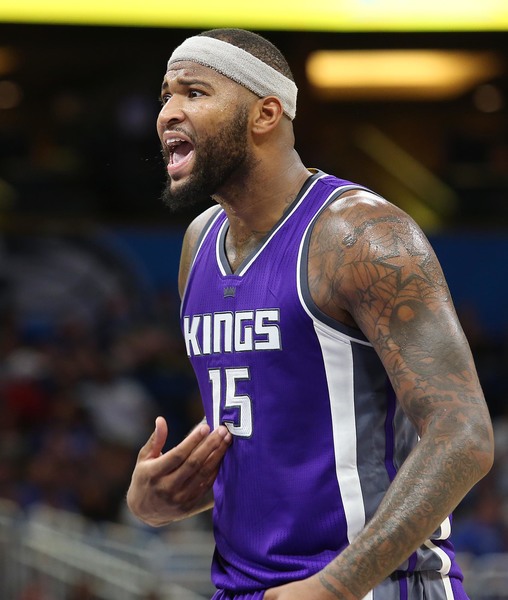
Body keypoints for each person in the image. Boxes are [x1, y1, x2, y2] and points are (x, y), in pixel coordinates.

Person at [126, 28, 494, 600]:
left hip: (375, 586)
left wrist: (334, 587)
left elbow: (463, 434)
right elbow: (287, 443)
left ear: (265, 113)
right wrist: (165, 499)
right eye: (165, 96)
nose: (168, 113)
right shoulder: (199, 243)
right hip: (244, 587)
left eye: (194, 93)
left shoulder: (361, 235)